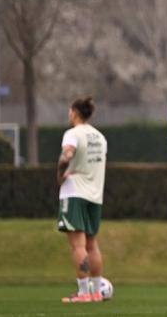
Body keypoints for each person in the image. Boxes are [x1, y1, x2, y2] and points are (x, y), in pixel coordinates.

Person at [57, 96, 108, 303]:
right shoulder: (100, 137)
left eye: (70, 111)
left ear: (76, 112)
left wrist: (60, 174)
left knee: (78, 246)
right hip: (95, 196)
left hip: (75, 193)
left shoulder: (72, 134)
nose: (69, 114)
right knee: (92, 245)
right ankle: (96, 292)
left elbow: (67, 155)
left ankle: (83, 293)